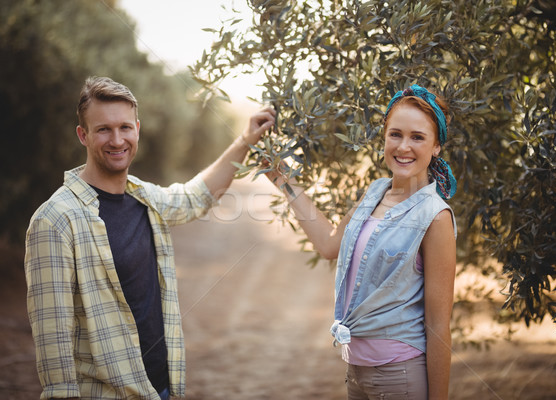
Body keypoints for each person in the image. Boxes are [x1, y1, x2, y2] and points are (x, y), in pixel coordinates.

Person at [24, 76, 275, 400]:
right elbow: (53, 345)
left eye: (125, 128)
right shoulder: (55, 221)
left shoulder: (142, 197)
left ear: (138, 129)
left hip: (161, 390)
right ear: (82, 135)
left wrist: (244, 139)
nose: (117, 140)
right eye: (103, 129)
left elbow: (194, 197)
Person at [266, 84, 457, 399]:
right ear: (384, 136)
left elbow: (438, 326)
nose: (404, 146)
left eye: (418, 137)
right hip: (355, 373)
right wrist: (283, 181)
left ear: (436, 146)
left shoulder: (435, 218)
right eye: (395, 134)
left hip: (400, 376)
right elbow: (329, 245)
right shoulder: (375, 192)